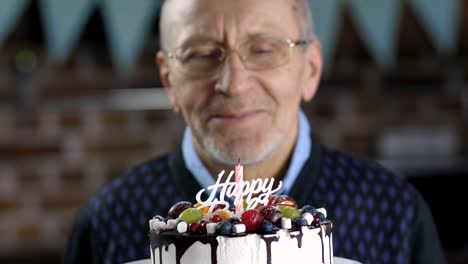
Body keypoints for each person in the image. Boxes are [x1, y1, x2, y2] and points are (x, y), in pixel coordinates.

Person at [64, 0, 446, 263]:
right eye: (200, 55)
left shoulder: (395, 213)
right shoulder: (105, 224)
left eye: (263, 49)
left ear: (310, 69)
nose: (233, 83)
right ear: (169, 80)